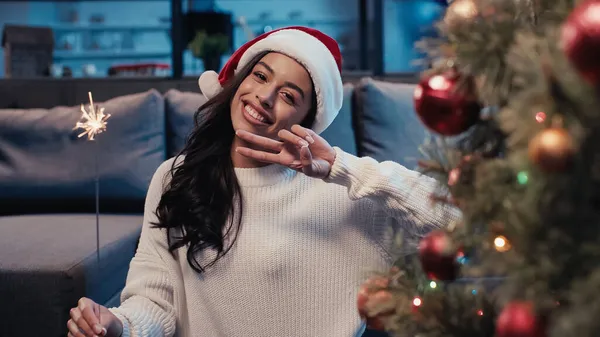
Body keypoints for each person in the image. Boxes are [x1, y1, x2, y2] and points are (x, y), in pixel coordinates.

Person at [67, 26, 458, 337]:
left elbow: (459, 220)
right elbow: (156, 300)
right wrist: (116, 325)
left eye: (288, 95)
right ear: (239, 81)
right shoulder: (175, 176)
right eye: (260, 76)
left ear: (306, 119)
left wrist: (341, 166)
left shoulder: (348, 195)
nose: (264, 97)